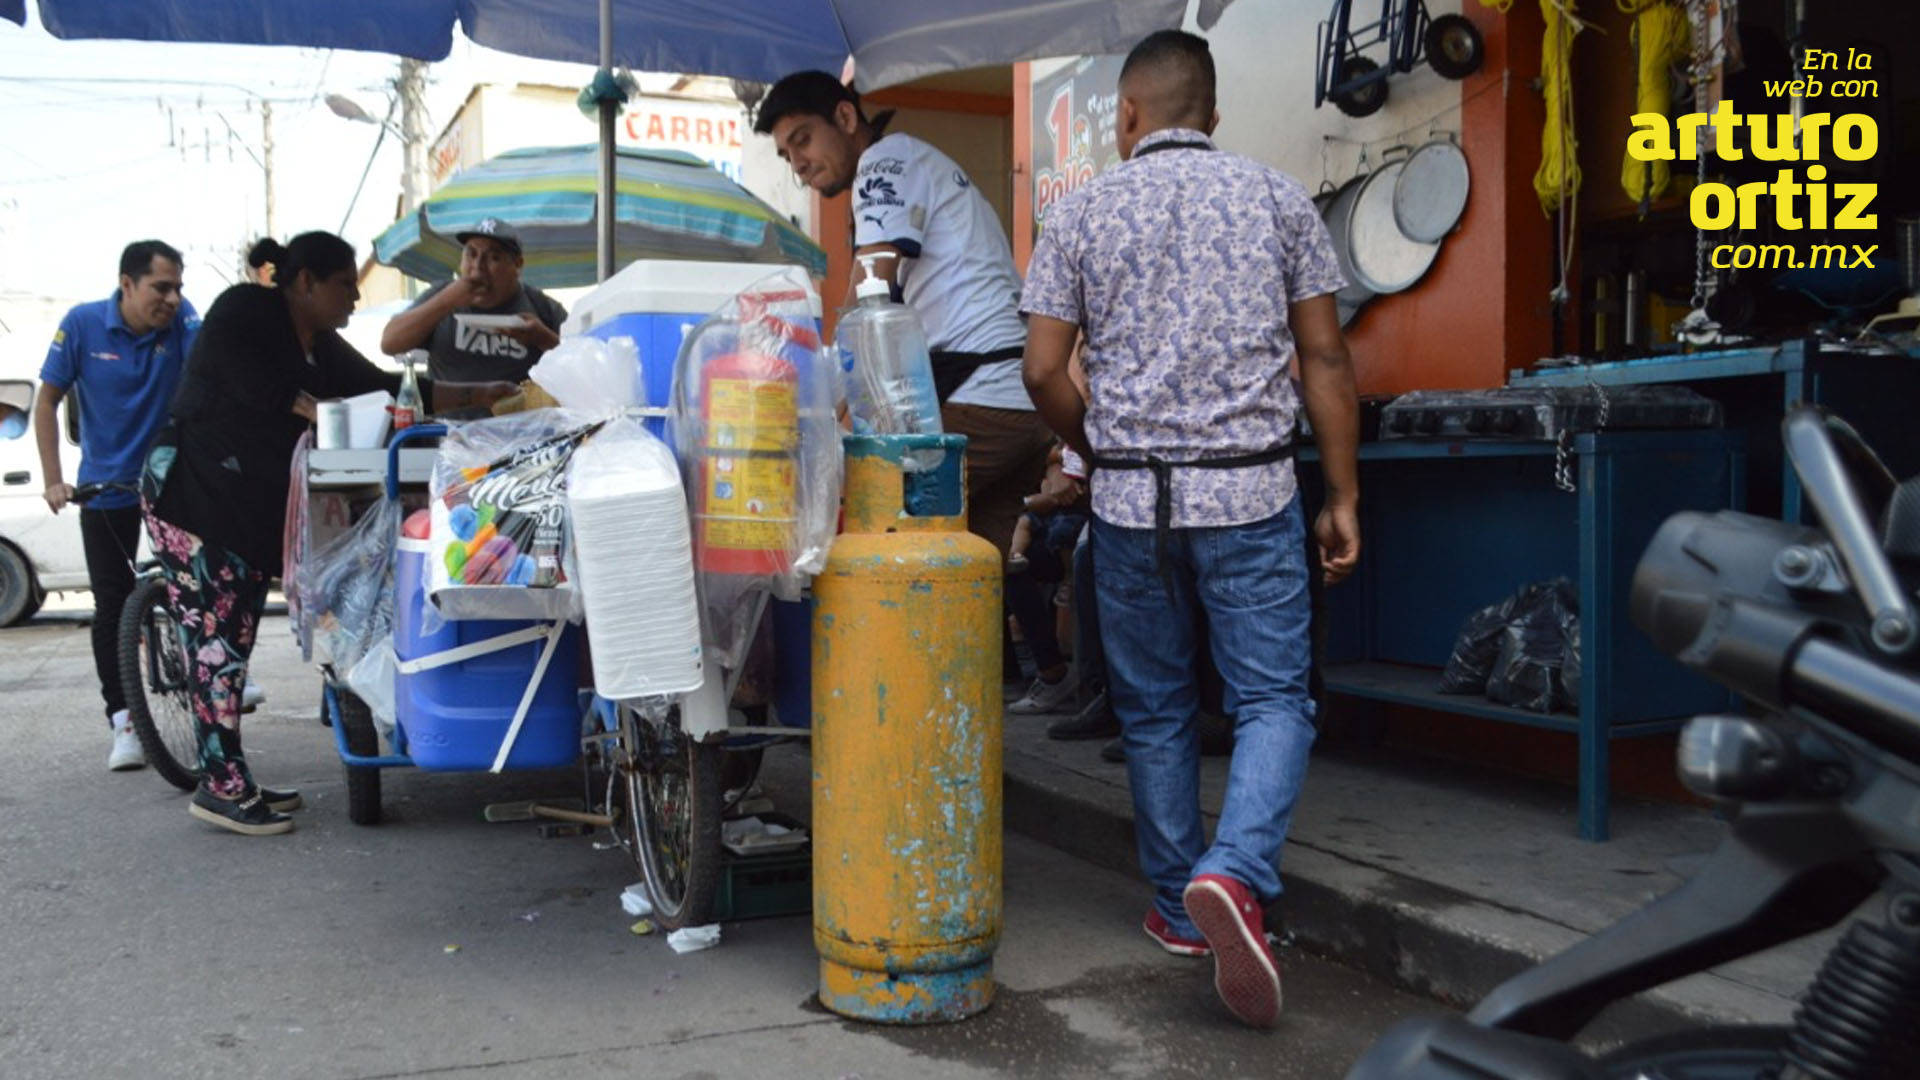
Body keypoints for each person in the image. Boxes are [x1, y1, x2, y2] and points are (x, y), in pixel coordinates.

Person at [1019, 31, 1361, 1028]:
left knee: (1156, 711)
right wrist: (1342, 493)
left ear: (1126, 117)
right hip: (1253, 495)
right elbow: (1327, 361)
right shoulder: (1276, 198)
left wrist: (1100, 446)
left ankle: (1180, 905)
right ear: (1210, 115)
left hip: (1130, 508)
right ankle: (1239, 873)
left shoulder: (1077, 212)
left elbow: (1043, 371)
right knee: (1272, 701)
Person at [147, 232, 514, 836]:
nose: (353, 295)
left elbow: (388, 391)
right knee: (216, 642)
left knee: (232, 639)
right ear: (304, 282)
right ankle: (219, 788)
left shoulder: (320, 345)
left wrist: (477, 397)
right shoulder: (246, 309)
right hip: (191, 495)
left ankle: (230, 773)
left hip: (240, 506)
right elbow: (251, 384)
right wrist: (322, 411)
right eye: (345, 283)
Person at [753, 72, 1068, 701]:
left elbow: (874, 285)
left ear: (846, 118)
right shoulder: (919, 163)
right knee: (975, 576)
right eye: (787, 156)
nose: (800, 165)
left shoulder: (884, 162)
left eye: (804, 140)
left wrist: (823, 395)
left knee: (874, 534)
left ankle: (885, 706)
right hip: (1012, 402)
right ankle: (957, 724)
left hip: (980, 399)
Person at [36, 239, 199, 772]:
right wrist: (56, 481)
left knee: (200, 585)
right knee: (111, 605)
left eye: (178, 286)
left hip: (170, 479)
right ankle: (124, 720)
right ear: (126, 285)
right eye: (161, 287)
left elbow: (211, 378)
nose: (173, 298)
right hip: (104, 487)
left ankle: (211, 679)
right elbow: (46, 400)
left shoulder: (182, 322)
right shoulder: (82, 325)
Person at [379, 217, 567, 384]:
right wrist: (446, 302)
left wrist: (542, 338)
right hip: (448, 421)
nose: (478, 268)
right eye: (471, 254)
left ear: (517, 265)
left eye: (493, 257)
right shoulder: (442, 295)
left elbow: (583, 365)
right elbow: (389, 343)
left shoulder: (541, 307)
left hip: (522, 421)